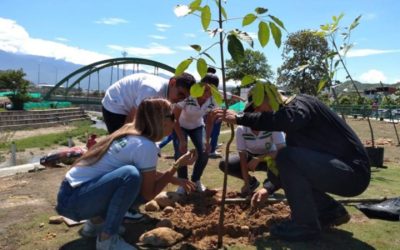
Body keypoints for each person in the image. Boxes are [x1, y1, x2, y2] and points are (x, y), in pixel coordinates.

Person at [213, 92, 371, 241]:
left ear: (266, 98)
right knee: (290, 160)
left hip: (353, 173)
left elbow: (288, 119)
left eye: (259, 108)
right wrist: (268, 188)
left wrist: (241, 118)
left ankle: (304, 226)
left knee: (286, 156)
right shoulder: (295, 130)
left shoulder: (301, 104)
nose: (259, 113)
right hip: (339, 171)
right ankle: (331, 211)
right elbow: (290, 168)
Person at [56, 98, 197, 250]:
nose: (176, 122)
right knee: (131, 176)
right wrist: (176, 166)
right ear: (162, 120)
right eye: (173, 117)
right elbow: (149, 194)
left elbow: (147, 172)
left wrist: (175, 179)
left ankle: (96, 224)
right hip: (75, 203)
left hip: (69, 196)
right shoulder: (145, 146)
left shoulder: (131, 133)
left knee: (131, 177)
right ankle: (107, 240)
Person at [218, 94, 286, 197]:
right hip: (250, 157)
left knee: (284, 164)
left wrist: (259, 158)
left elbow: (283, 151)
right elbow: (242, 157)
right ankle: (251, 182)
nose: (256, 116)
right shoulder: (242, 129)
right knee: (225, 163)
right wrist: (246, 182)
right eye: (253, 111)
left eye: (260, 111)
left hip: (270, 158)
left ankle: (269, 187)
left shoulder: (273, 125)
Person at [102, 72, 195, 134]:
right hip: (115, 104)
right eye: (180, 94)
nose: (181, 99)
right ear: (172, 83)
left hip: (127, 104)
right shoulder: (152, 90)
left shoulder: (166, 93)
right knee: (121, 143)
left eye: (184, 98)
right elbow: (132, 118)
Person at [172, 77, 217, 193]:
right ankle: (183, 182)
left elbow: (209, 121)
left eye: (211, 90)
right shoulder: (188, 96)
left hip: (197, 126)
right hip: (181, 126)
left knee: (205, 151)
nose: (208, 94)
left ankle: (196, 180)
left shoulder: (213, 100)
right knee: (180, 151)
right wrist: (182, 140)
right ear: (200, 87)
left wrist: (207, 140)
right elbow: (174, 118)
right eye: (205, 90)